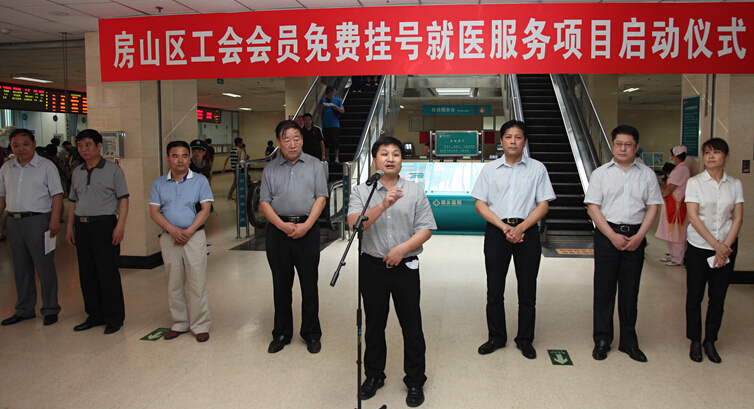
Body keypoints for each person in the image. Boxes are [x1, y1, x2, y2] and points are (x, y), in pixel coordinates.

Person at [348, 137, 435, 407]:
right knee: (374, 325)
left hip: (405, 266)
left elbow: (426, 229)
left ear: (401, 160)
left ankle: (415, 380)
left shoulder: (415, 191)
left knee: (412, 325)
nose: (390, 158)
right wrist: (383, 204)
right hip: (372, 266)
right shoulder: (361, 191)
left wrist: (402, 249)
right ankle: (374, 375)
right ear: (375, 160)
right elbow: (354, 224)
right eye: (384, 154)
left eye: (396, 154)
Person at [471, 120, 556, 360]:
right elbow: (480, 204)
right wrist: (504, 227)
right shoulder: (489, 170)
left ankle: (525, 339)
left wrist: (521, 228)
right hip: (497, 231)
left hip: (527, 233)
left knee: (527, 289)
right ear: (501, 141)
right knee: (494, 289)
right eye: (508, 137)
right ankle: (496, 337)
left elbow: (543, 205)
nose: (513, 141)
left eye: (518, 137)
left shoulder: (537, 168)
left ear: (524, 141)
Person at [585, 125, 662, 363]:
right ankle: (602, 340)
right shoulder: (601, 174)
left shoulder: (647, 174)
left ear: (636, 147)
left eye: (628, 145)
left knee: (630, 292)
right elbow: (593, 208)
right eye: (618, 144)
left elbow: (653, 208)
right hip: (607, 235)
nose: (623, 148)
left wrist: (639, 237)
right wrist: (612, 236)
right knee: (604, 291)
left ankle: (629, 342)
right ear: (612, 145)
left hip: (635, 236)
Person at [259, 120, 327, 355]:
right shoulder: (270, 168)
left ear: (302, 140)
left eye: (296, 138)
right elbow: (264, 202)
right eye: (286, 139)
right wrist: (281, 225)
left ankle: (311, 333)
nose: (292, 144)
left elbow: (321, 197)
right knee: (281, 285)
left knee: (309, 285)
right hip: (278, 232)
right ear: (279, 142)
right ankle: (281, 333)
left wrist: (307, 226)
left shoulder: (315, 165)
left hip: (307, 230)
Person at [684, 138, 743, 364]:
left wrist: (725, 246)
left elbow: (737, 218)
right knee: (694, 296)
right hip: (699, 247)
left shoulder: (735, 184)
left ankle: (710, 340)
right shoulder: (695, 183)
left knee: (717, 297)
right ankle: (695, 340)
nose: (710, 156)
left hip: (727, 248)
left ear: (726, 157)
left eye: (716, 152)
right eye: (707, 152)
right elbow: (693, 217)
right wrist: (716, 245)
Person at [149, 140, 214, 343]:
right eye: (175, 156)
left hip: (194, 237)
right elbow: (154, 211)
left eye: (185, 156)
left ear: (189, 159)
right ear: (168, 159)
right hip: (169, 238)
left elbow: (205, 209)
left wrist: (188, 231)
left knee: (197, 281)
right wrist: (172, 230)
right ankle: (179, 322)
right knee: (173, 281)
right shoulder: (159, 183)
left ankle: (200, 324)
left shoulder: (200, 181)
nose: (180, 160)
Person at [66, 129, 129, 335]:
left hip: (105, 225)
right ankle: (94, 315)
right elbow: (73, 201)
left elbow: (123, 199)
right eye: (80, 145)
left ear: (99, 146)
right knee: (87, 273)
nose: (84, 149)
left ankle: (114, 317)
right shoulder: (77, 171)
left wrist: (120, 226)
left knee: (107, 273)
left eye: (88, 145)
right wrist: (70, 228)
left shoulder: (113, 170)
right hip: (82, 226)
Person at [0, 129, 63, 327]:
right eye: (16, 145)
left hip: (39, 221)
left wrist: (55, 220)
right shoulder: (6, 167)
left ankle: (50, 308)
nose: (21, 149)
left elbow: (57, 194)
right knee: (20, 267)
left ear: (34, 144)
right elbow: (2, 196)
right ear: (11, 147)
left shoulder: (46, 166)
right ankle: (25, 309)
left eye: (25, 144)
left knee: (44, 267)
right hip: (13, 222)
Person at [656, 145, 690, 266]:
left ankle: (678, 258)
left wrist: (659, 196)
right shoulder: (679, 168)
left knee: (676, 232)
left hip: (676, 205)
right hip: (671, 204)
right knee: (670, 231)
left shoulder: (681, 169)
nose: (671, 158)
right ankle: (672, 254)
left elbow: (671, 187)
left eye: (672, 156)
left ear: (676, 156)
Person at [318, 86, 344, 163]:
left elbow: (342, 110)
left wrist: (336, 107)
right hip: (325, 124)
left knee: (335, 141)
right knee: (326, 141)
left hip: (335, 124)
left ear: (333, 93)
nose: (329, 95)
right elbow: (319, 112)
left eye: (330, 94)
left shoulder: (337, 100)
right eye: (328, 94)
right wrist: (321, 107)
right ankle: (327, 157)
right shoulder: (323, 100)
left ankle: (336, 157)